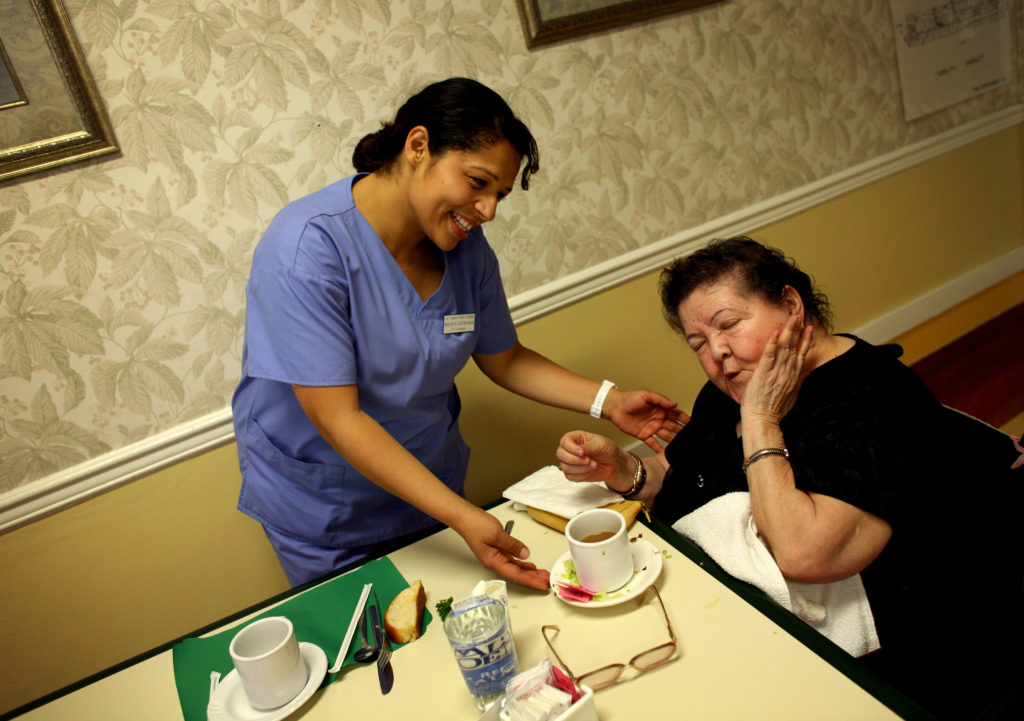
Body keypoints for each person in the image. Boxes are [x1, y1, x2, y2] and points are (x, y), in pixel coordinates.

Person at [232, 77, 682, 591]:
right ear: (418, 146)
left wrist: (609, 401)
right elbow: (340, 420)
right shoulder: (306, 249)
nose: (488, 210)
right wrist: (464, 516)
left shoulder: (465, 250)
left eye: (500, 195)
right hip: (329, 510)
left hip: (428, 485)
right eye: (477, 181)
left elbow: (504, 357)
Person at [556, 237, 1023, 720]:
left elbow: (804, 554)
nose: (716, 351)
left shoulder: (871, 398)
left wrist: (760, 416)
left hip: (885, 656)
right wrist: (623, 470)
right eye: (698, 343)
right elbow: (683, 475)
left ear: (792, 305)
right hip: (711, 600)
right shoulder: (731, 385)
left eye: (729, 324)